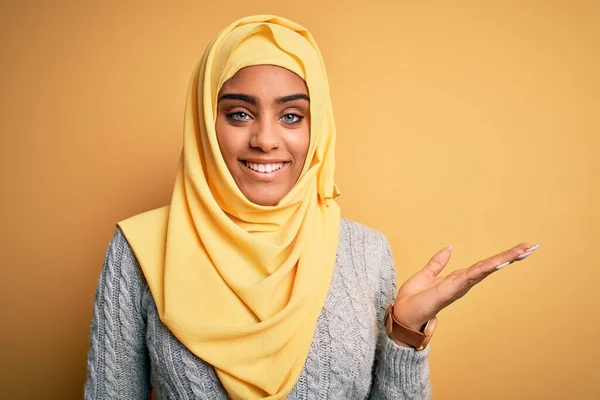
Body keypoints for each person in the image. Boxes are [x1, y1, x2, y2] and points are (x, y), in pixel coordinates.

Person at [83, 15, 539, 400]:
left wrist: (404, 335)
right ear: (205, 121)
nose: (265, 139)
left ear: (316, 128)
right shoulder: (139, 251)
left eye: (291, 115)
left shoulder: (366, 254)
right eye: (239, 113)